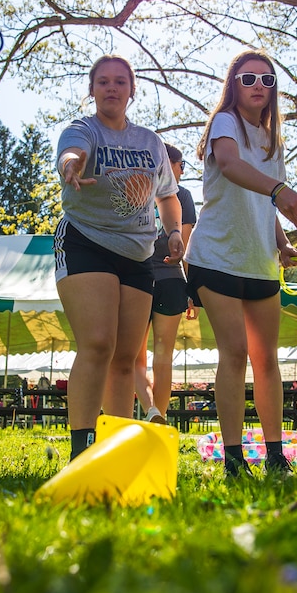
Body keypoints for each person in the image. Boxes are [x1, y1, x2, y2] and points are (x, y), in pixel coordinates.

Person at [185, 49, 297, 478]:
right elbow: (230, 165)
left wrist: (281, 246)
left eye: (266, 79)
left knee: (267, 360)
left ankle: (276, 456)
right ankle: (234, 459)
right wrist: (280, 190)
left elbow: (264, 201)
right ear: (233, 85)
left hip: (259, 261)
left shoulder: (274, 138)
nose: (259, 85)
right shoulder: (226, 123)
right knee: (235, 352)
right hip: (216, 256)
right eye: (248, 79)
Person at [55, 54, 185, 460]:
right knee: (97, 343)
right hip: (85, 241)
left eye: (120, 82)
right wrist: (71, 167)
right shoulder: (83, 128)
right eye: (103, 82)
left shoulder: (150, 143)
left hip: (138, 252)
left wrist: (175, 232)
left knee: (126, 358)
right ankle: (81, 451)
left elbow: (168, 196)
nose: (111, 88)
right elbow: (71, 153)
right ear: (91, 89)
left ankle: (114, 453)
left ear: (131, 90)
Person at [134, 143, 198, 425]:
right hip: (171, 280)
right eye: (180, 164)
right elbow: (184, 249)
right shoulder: (182, 196)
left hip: (137, 278)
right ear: (167, 164)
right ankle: (158, 422)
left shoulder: (138, 188)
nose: (183, 170)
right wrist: (192, 290)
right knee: (163, 355)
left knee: (133, 357)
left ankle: (151, 411)